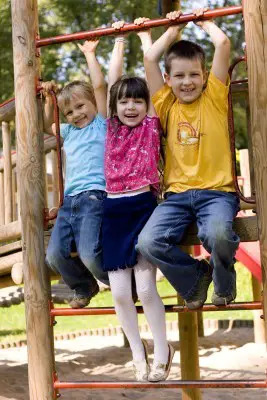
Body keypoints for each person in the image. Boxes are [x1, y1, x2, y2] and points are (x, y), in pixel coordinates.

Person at [137, 8, 240, 309]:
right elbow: (149, 59)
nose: (187, 82)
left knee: (218, 234)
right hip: (177, 196)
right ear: (167, 79)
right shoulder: (166, 104)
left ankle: (224, 282)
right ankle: (196, 278)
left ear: (205, 75)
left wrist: (203, 22)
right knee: (148, 242)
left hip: (217, 193)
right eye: (179, 76)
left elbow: (222, 45)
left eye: (194, 74)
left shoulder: (215, 97)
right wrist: (171, 31)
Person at [100, 20, 174, 382]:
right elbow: (112, 81)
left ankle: (162, 348)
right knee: (119, 295)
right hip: (113, 211)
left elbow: (153, 72)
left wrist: (148, 39)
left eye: (138, 100)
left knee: (145, 288)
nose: (131, 106)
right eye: (125, 101)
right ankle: (136, 350)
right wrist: (118, 41)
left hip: (144, 207)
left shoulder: (151, 124)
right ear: (116, 105)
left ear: (147, 104)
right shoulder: (110, 125)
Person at [42, 39, 109, 309]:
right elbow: (48, 124)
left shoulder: (101, 124)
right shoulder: (69, 133)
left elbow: (101, 86)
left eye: (81, 107)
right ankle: (84, 285)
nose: (76, 114)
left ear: (93, 103)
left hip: (96, 197)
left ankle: (120, 283)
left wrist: (90, 55)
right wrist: (49, 100)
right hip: (70, 201)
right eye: (69, 112)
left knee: (90, 254)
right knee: (54, 255)